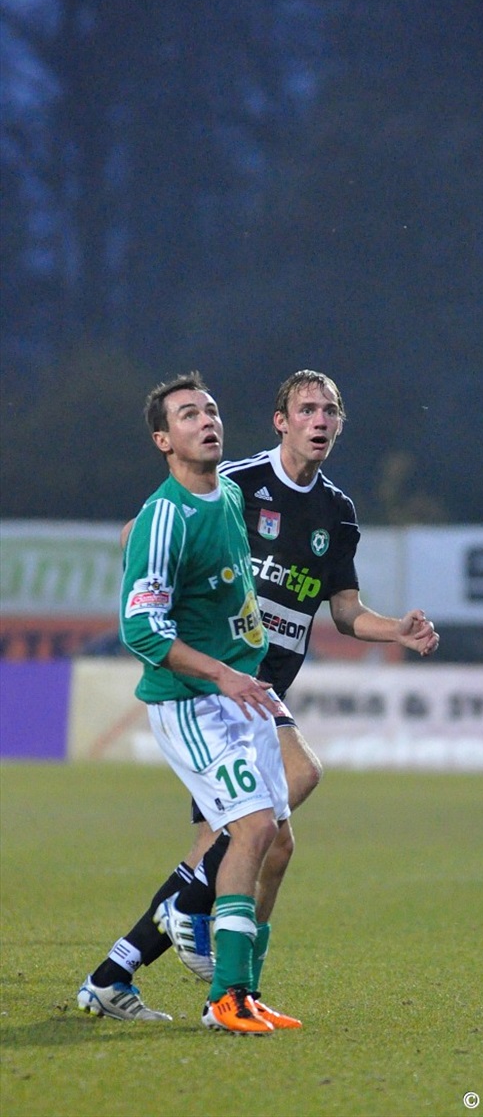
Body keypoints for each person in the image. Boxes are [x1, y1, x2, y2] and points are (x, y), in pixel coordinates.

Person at [78, 369, 439, 1023]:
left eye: (331, 409)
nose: (321, 420)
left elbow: (346, 611)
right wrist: (183, 591)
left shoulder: (336, 511)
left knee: (263, 843)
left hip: (258, 688)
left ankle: (125, 971)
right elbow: (142, 535)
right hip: (221, 685)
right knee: (277, 802)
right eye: (308, 408)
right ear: (281, 420)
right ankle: (203, 947)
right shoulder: (238, 481)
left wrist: (398, 632)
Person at [78, 372, 295, 1036]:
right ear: (163, 440)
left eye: (211, 409)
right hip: (194, 703)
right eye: (188, 414)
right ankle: (224, 996)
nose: (207, 420)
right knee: (253, 828)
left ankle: (230, 989)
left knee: (278, 842)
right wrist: (224, 675)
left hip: (242, 693)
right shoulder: (165, 514)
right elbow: (142, 630)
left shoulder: (226, 491)